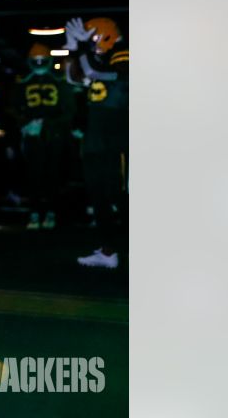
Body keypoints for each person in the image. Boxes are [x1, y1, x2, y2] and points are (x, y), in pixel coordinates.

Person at [64, 17, 128, 269]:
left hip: (118, 138)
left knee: (122, 197)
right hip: (97, 139)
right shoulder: (99, 58)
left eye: (92, 39)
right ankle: (108, 250)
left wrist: (81, 49)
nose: (92, 45)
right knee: (99, 196)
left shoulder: (124, 53)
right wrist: (72, 49)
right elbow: (74, 78)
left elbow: (96, 73)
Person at [17, 43, 76, 230]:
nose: (40, 64)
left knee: (53, 174)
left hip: (53, 134)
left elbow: (69, 110)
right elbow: (12, 107)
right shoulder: (23, 82)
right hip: (33, 135)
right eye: (36, 61)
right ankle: (35, 211)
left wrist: (49, 124)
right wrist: (25, 124)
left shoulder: (59, 81)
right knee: (33, 174)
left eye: (43, 60)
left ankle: (50, 211)